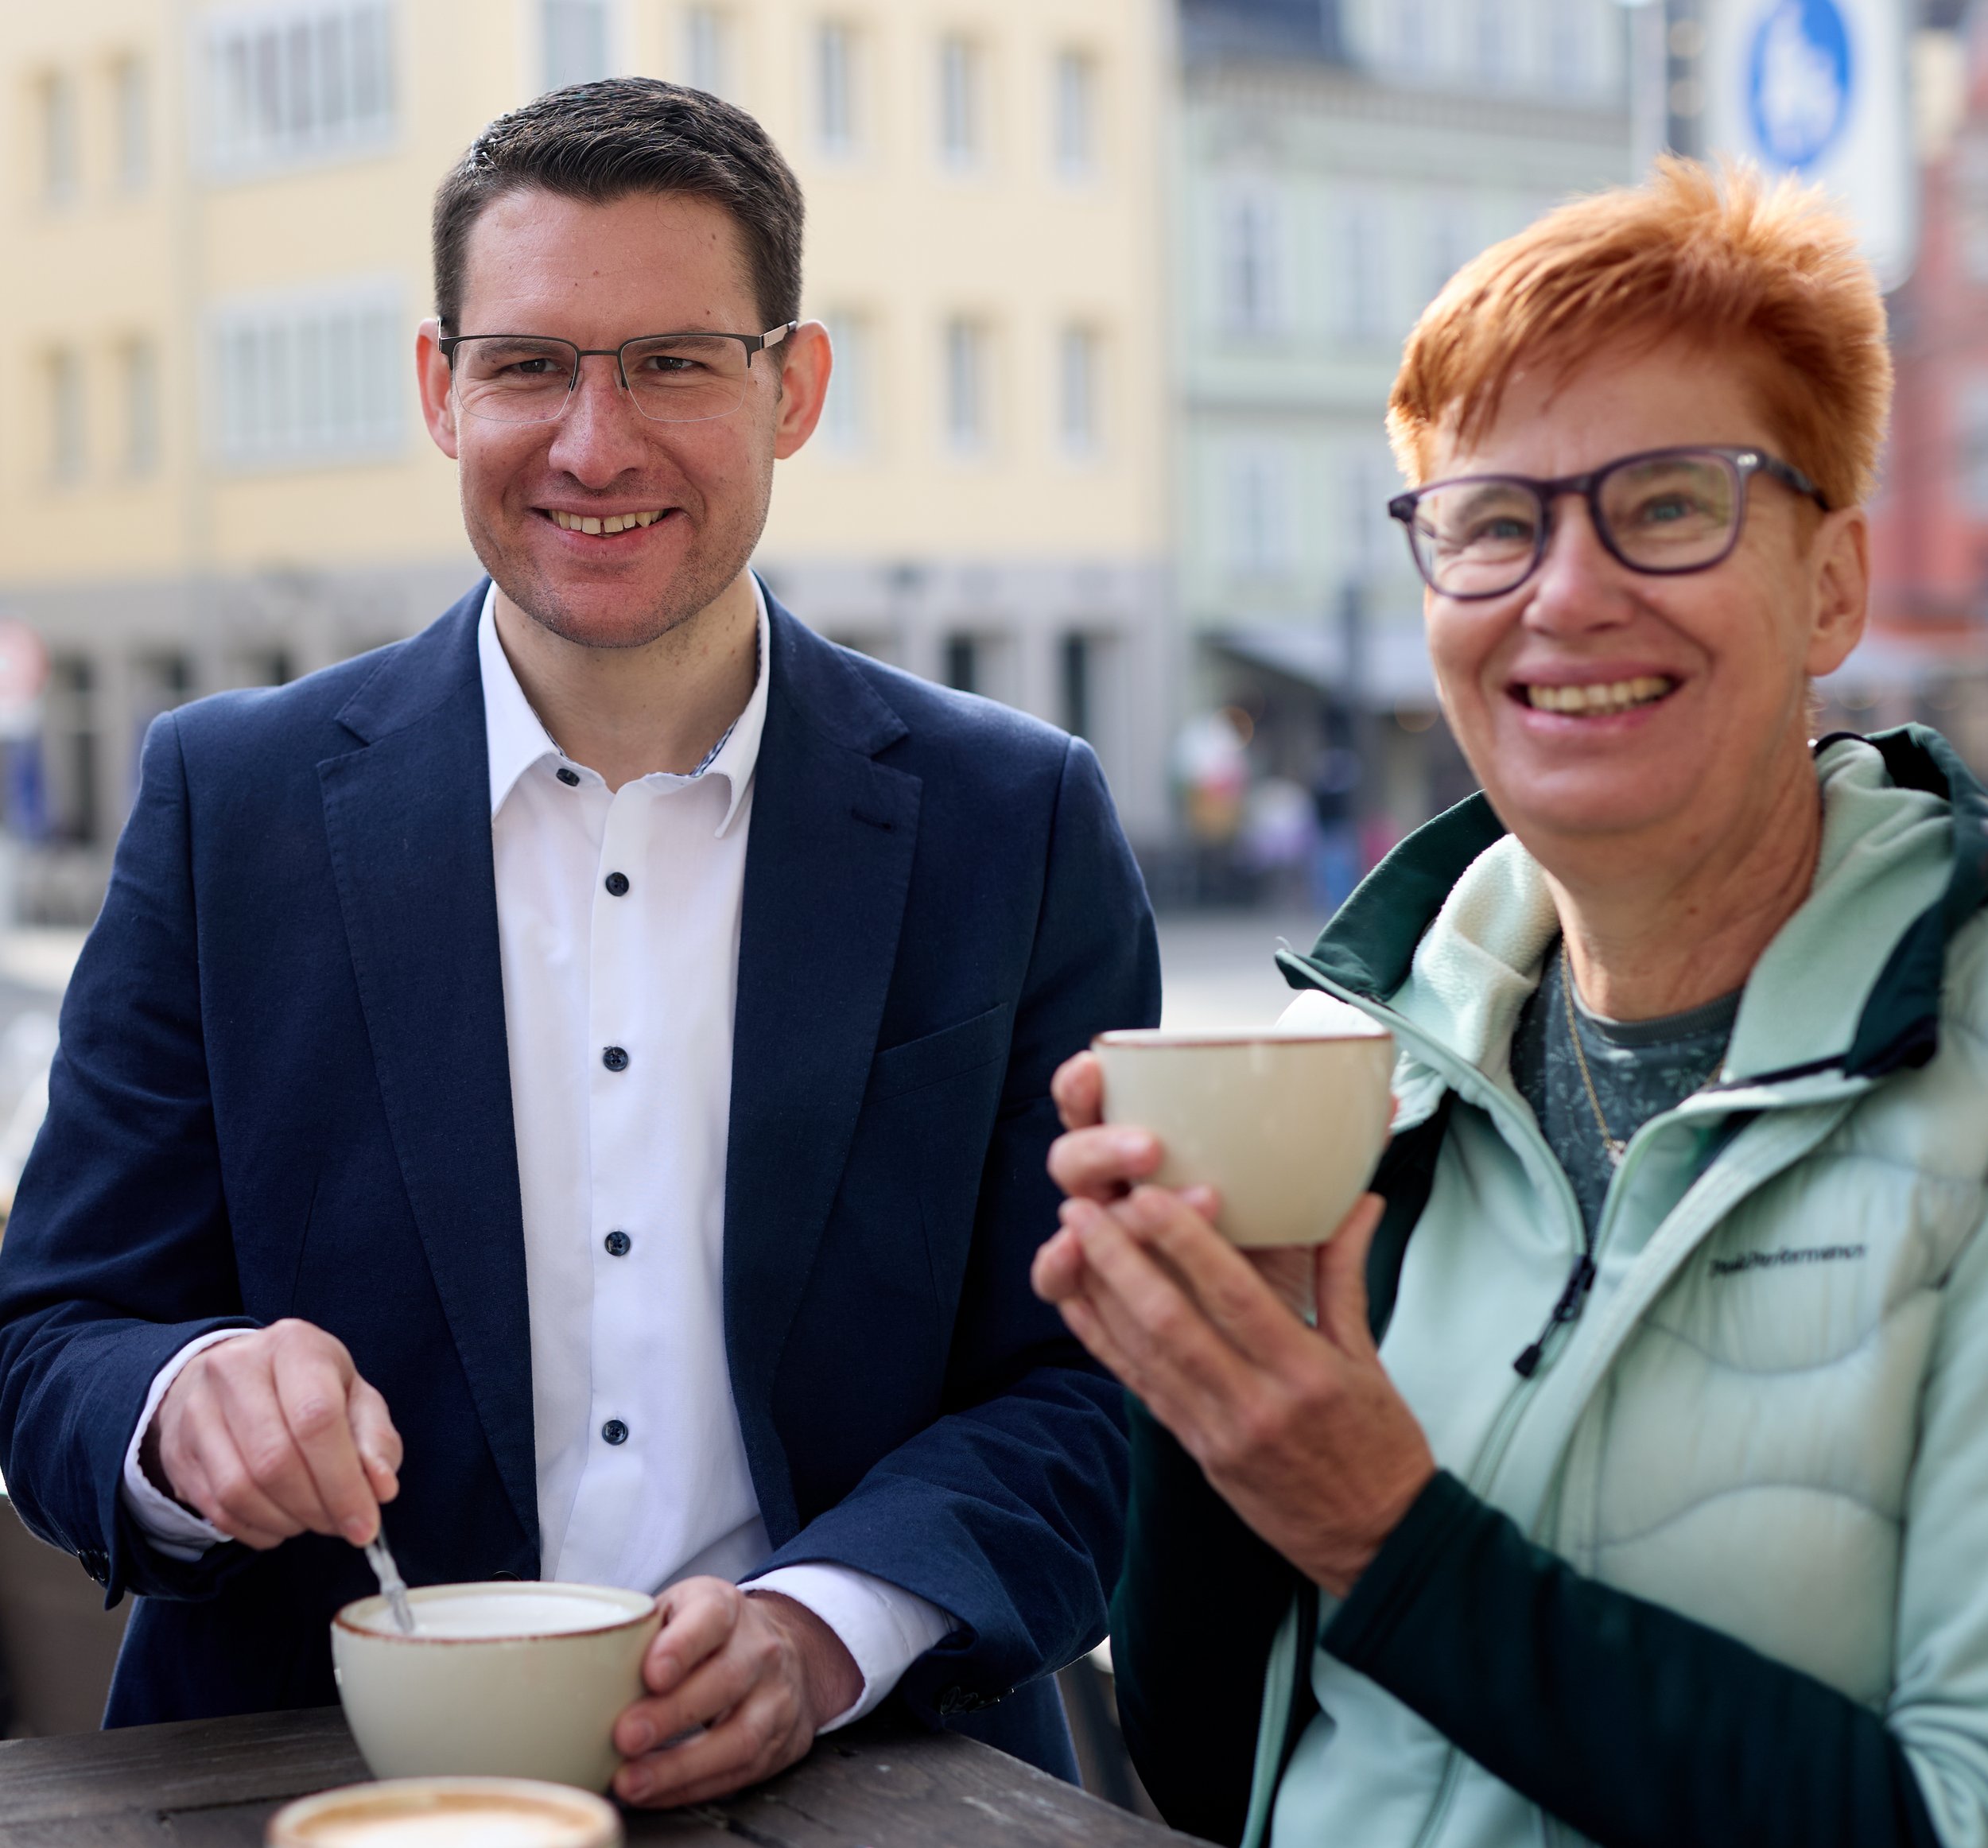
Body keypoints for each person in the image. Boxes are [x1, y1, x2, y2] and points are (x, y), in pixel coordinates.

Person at [0, 79, 1156, 1807]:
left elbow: (1095, 1381)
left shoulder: (1020, 819)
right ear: (438, 388)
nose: (593, 442)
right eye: (529, 363)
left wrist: (824, 1627)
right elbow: (54, 1336)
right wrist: (182, 1403)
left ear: (794, 388)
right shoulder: (223, 801)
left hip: (874, 1784)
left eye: (673, 361)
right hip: (316, 1784)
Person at [1036, 160, 1988, 1848]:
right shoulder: (1368, 1072)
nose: (1561, 593)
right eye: (1490, 521)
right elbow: (1213, 1762)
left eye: (1669, 502)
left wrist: (1388, 1539)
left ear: (1831, 584)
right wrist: (1204, 1402)